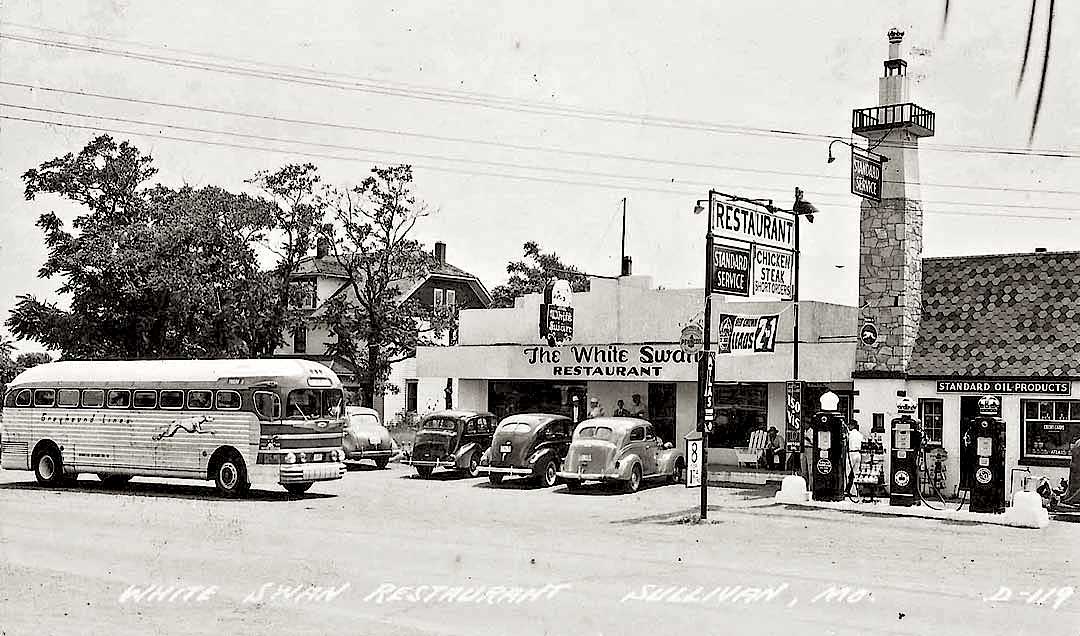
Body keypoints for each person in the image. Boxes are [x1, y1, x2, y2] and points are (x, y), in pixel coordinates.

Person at [847, 421, 865, 495]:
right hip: (858, 453)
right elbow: (863, 443)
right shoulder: (860, 435)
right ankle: (854, 491)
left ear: (852, 426)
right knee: (856, 473)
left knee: (847, 472)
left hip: (851, 453)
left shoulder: (850, 434)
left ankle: (845, 490)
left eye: (849, 425)